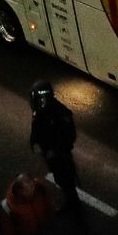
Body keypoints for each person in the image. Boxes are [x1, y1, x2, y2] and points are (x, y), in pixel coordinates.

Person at [29, 80, 80, 218]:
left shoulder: (61, 113)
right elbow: (36, 129)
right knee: (60, 180)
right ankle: (70, 201)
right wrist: (34, 143)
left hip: (61, 157)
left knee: (67, 181)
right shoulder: (40, 112)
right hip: (51, 157)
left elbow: (70, 136)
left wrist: (55, 151)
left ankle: (74, 206)